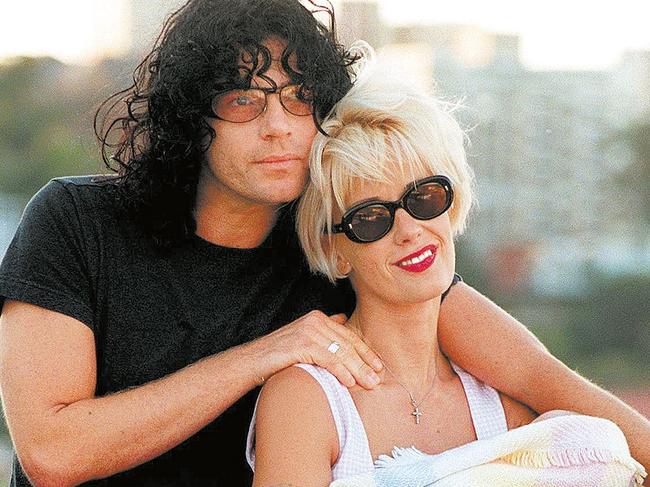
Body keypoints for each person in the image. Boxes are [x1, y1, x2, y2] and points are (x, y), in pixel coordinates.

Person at [0, 1, 647, 486]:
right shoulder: (77, 220)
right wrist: (264, 354)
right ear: (191, 115)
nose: (280, 126)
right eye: (245, 102)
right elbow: (53, 451)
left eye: (298, 98)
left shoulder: (346, 234)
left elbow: (539, 376)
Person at [246, 52, 646, 487]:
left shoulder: (501, 407)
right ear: (336, 251)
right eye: (371, 218)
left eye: (424, 198)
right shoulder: (306, 400)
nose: (409, 229)